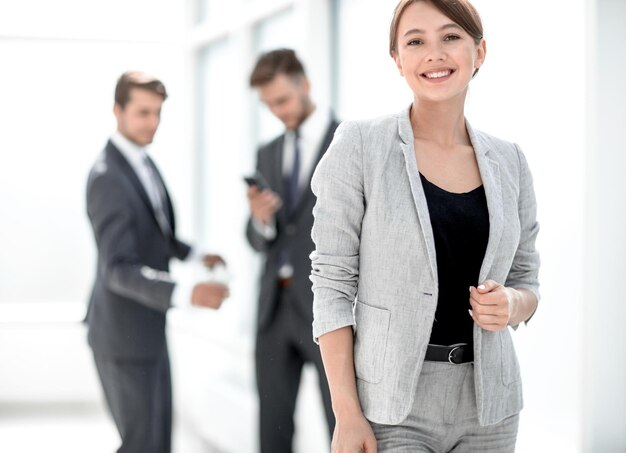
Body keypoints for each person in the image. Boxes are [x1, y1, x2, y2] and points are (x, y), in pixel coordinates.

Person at [310, 1, 541, 452]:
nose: (434, 53)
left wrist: (512, 304)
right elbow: (332, 286)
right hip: (393, 407)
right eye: (415, 41)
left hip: (490, 408)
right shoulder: (359, 145)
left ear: (480, 51)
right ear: (398, 60)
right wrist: (347, 413)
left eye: (451, 36)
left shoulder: (510, 161)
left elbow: (526, 279)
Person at [85, 71, 229, 453]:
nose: (153, 123)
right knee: (142, 443)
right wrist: (187, 292)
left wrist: (194, 254)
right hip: (123, 335)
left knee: (158, 440)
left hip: (147, 328)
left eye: (158, 113)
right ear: (117, 110)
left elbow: (155, 234)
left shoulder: (141, 163)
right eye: (143, 113)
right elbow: (118, 267)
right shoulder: (107, 177)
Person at [246, 48, 338, 452]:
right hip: (273, 311)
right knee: (272, 430)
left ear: (305, 85)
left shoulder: (348, 142)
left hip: (329, 312)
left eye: (282, 100)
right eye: (268, 105)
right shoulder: (267, 152)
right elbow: (256, 239)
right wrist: (259, 219)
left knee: (342, 423)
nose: (277, 112)